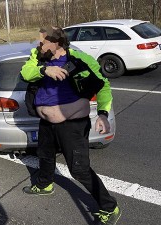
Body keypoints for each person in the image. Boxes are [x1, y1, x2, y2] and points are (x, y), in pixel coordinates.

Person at [20, 26, 121, 225]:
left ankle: (109, 207)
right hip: (46, 123)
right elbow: (26, 72)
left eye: (42, 42)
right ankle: (44, 185)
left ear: (57, 43)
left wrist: (102, 114)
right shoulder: (39, 57)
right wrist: (44, 69)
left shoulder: (79, 59)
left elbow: (103, 86)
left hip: (73, 125)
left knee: (79, 169)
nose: (38, 45)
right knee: (45, 155)